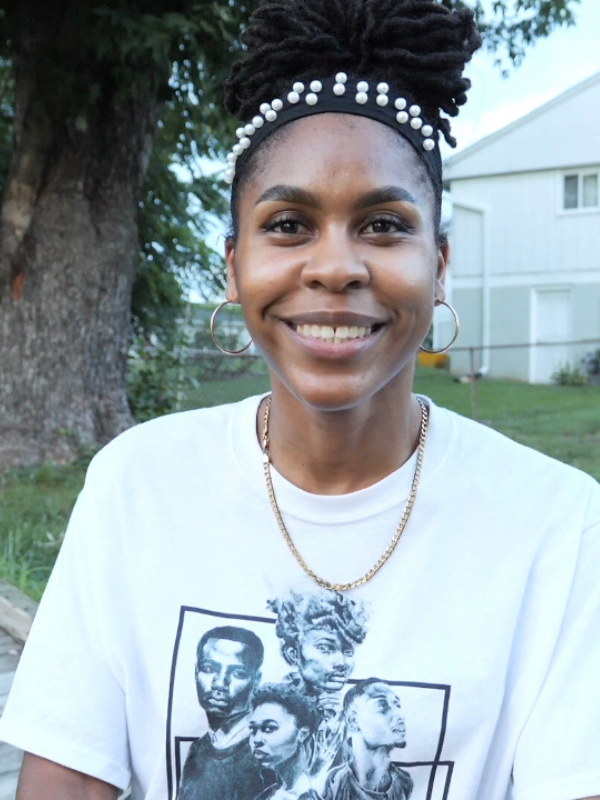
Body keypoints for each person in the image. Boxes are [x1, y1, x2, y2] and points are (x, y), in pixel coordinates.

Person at [1, 2, 599, 800]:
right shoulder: (135, 488)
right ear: (233, 265)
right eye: (288, 224)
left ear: (440, 265)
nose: (335, 265)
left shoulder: (559, 531)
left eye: (384, 225)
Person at [267, 591, 368, 783]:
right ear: (293, 654)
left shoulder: (347, 715)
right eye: (325, 648)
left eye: (347, 651)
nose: (341, 662)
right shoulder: (268, 712)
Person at [178, 626, 271, 800]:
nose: (220, 683)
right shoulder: (197, 751)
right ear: (195, 672)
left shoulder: (266, 753)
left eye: (238, 673)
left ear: (256, 680)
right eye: (209, 668)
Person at [323, 679, 413, 800]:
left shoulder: (404, 783)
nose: (400, 715)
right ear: (353, 721)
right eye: (382, 705)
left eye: (397, 705)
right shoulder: (333, 783)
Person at [248, 683, 320, 800]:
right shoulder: (268, 794)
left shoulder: (310, 795)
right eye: (253, 729)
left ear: (302, 734)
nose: (256, 740)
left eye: (269, 728)